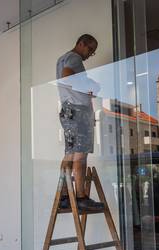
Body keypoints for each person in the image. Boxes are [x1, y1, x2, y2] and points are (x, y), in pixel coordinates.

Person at [56, 34, 103, 210]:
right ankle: (81, 196)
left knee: (69, 154)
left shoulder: (62, 58)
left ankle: (64, 196)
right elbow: (67, 76)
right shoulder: (74, 58)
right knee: (80, 154)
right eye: (89, 49)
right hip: (77, 110)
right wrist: (90, 86)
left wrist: (86, 85)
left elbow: (66, 78)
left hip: (68, 109)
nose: (89, 54)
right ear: (80, 43)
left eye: (92, 52)